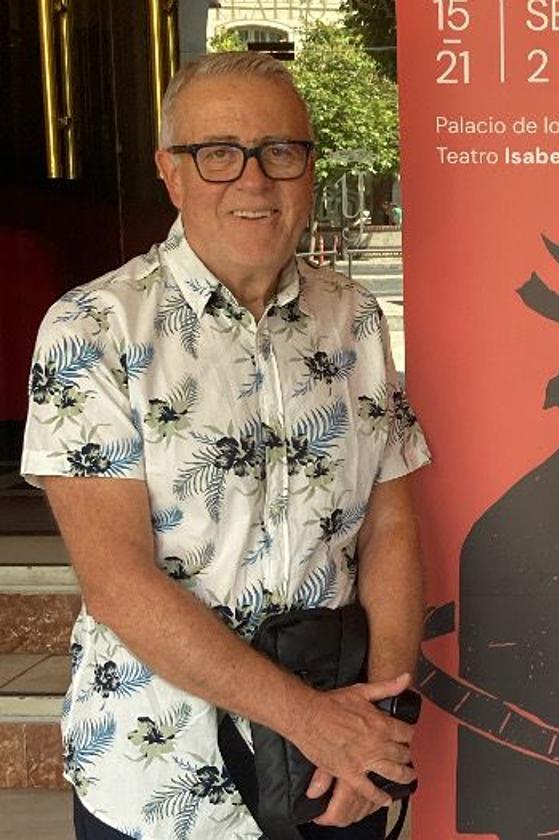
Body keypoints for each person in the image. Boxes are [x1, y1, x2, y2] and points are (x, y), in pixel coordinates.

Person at [21, 51, 430, 840]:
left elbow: (393, 529)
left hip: (333, 768)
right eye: (218, 154)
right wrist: (316, 724)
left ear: (308, 168)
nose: (253, 181)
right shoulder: (92, 330)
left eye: (280, 151)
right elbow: (117, 583)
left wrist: (374, 729)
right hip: (161, 776)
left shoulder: (354, 318)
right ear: (171, 173)